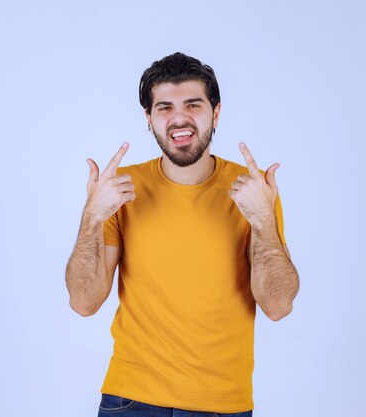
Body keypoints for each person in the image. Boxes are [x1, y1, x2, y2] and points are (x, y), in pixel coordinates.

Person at [65, 52, 300, 417]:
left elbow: (278, 306)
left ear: (215, 112)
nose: (179, 118)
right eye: (164, 107)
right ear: (149, 118)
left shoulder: (253, 191)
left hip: (222, 404)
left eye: (193, 104)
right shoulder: (121, 190)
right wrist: (92, 216)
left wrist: (263, 221)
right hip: (130, 400)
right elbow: (83, 302)